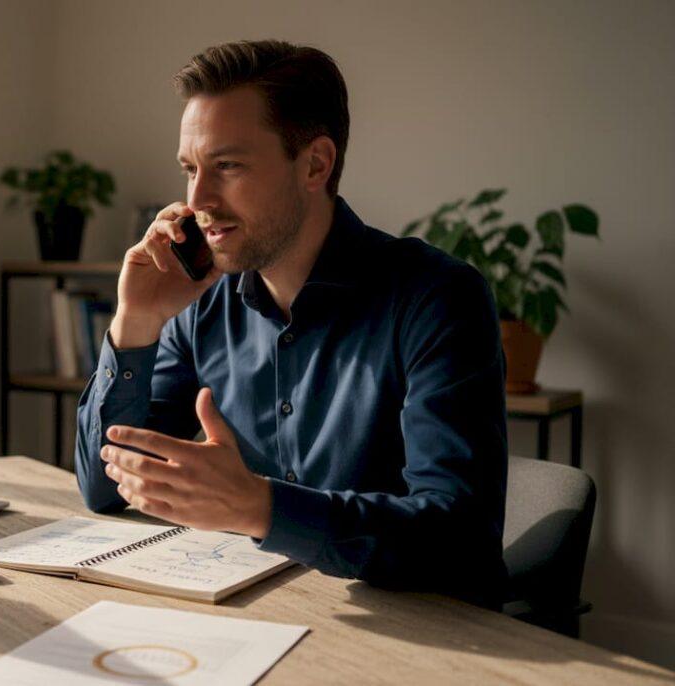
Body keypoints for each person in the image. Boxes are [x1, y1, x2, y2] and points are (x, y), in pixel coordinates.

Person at [74, 39, 508, 607]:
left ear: (315, 164)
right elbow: (103, 489)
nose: (197, 199)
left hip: (420, 638)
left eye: (227, 166)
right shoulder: (201, 304)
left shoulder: (436, 298)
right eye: (190, 169)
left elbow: (458, 536)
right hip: (262, 617)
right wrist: (136, 322)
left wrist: (261, 507)